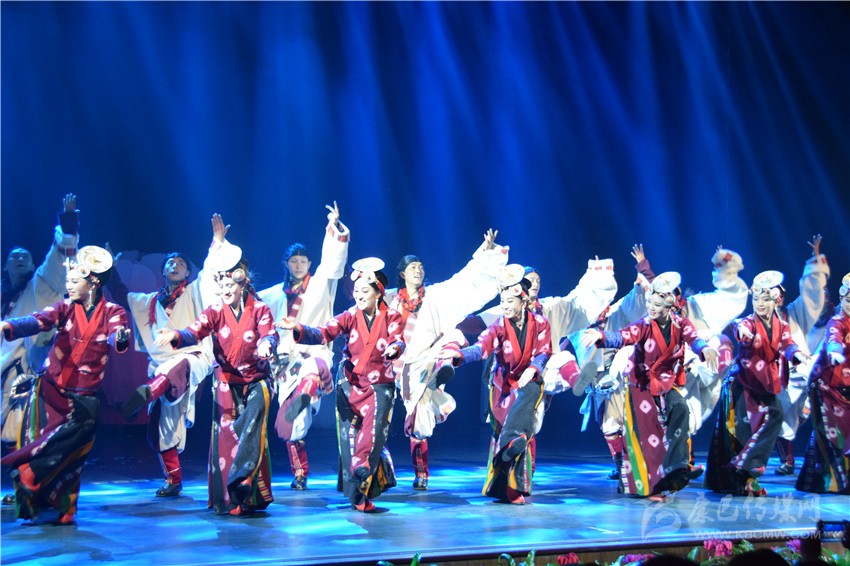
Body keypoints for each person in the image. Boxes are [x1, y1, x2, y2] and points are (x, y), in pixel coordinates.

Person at [0, 246, 130, 525]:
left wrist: (119, 337)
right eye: (67, 281)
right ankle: (40, 493)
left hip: (85, 392)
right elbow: (39, 320)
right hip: (52, 390)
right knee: (59, 443)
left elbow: (116, 333)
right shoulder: (64, 307)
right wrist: (8, 326)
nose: (68, 286)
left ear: (92, 283)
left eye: (74, 282)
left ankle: (57, 497)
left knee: (75, 452)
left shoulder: (112, 311)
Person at [154, 226, 278, 516]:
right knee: (226, 435)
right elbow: (195, 331)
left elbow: (269, 334)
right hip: (226, 381)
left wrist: (267, 345)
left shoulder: (259, 309)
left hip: (256, 381)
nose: (225, 290)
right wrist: (175, 336)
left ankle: (245, 484)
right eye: (221, 286)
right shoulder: (214, 311)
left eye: (230, 285)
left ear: (242, 283)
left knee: (251, 430)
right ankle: (229, 497)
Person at [277, 258, 405, 512]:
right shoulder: (348, 316)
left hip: (379, 384)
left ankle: (363, 473)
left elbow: (398, 339)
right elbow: (324, 332)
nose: (359, 295)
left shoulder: (392, 316)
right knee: (349, 442)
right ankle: (358, 498)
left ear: (379, 292)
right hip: (350, 383)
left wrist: (394, 348)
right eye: (356, 290)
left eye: (365, 291)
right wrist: (299, 329)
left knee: (372, 436)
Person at [113, 216, 228, 497]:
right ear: (162, 270)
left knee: (180, 364)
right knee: (163, 428)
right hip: (161, 367)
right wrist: (108, 268)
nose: (174, 266)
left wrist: (217, 242)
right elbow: (121, 295)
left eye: (180, 263)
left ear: (188, 271)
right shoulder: (149, 301)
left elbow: (210, 271)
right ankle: (174, 480)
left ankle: (146, 393)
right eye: (170, 263)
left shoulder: (195, 291)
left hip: (193, 356)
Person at [385, 228, 508, 490]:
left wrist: (485, 252)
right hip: (397, 366)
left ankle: (421, 474)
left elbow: (464, 282)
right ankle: (385, 467)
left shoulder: (435, 294)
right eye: (412, 267)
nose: (418, 270)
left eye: (421, 266)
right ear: (402, 273)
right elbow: (362, 300)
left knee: (453, 336)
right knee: (398, 418)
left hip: (425, 360)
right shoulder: (389, 299)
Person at [580, 272, 719, 500]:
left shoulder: (681, 324)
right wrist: (600, 336)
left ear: (669, 307)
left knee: (681, 410)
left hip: (666, 384)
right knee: (649, 436)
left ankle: (677, 465)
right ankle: (649, 486)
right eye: (650, 304)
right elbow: (622, 336)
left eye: (657, 305)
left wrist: (704, 349)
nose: (651, 309)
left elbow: (694, 339)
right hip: (640, 386)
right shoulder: (643, 325)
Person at [440, 264, 552, 505]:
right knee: (511, 432)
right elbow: (481, 347)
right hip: (502, 388)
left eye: (510, 301)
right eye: (502, 301)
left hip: (527, 384)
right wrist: (460, 355)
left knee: (522, 423)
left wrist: (532, 369)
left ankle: (513, 487)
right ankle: (504, 478)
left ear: (523, 301)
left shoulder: (541, 323)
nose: (505, 306)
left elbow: (544, 352)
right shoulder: (498, 326)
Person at [258, 202, 350, 491]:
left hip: (315, 352)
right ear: (286, 264)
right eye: (294, 261)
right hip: (285, 364)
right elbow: (249, 309)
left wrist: (334, 228)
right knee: (294, 425)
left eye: (303, 261)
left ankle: (308, 389)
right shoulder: (271, 295)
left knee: (313, 368)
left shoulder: (321, 283)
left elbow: (333, 261)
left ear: (310, 264)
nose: (298, 265)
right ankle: (300, 474)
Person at [1, 194, 79, 505]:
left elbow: (55, 266)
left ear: (33, 265)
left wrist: (68, 224)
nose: (20, 259)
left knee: (16, 427)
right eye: (14, 257)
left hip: (21, 368)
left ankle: (22, 485)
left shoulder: (37, 286)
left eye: (25, 257)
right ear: (6, 265)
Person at [705, 270, 808, 497]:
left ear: (775, 301)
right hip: (742, 384)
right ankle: (739, 480)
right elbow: (739, 327)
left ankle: (746, 468)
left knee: (775, 417)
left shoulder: (782, 325)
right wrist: (741, 330)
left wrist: (797, 354)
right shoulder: (748, 322)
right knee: (740, 433)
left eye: (765, 300)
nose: (760, 304)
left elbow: (787, 344)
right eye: (757, 299)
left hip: (765, 384)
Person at [772, 235, 830, 476]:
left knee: (815, 410)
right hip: (776, 378)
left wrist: (815, 262)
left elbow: (811, 294)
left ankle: (825, 458)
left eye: (777, 295)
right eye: (769, 295)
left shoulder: (793, 312)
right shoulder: (755, 321)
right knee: (781, 418)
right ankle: (787, 461)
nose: (774, 299)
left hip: (802, 373)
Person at [795, 272, 850, 494]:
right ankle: (836, 483)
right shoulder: (836, 321)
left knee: (826, 431)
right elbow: (834, 338)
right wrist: (835, 351)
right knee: (831, 431)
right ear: (842, 299)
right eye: (848, 300)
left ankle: (812, 481)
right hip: (825, 384)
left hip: (844, 385)